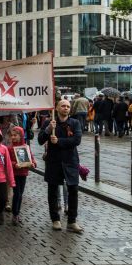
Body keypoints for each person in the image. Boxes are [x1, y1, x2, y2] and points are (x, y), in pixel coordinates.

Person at [37, 99, 83, 233]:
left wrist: (59, 141)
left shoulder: (74, 123)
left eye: (68, 106)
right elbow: (40, 140)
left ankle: (72, 221)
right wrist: (48, 130)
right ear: (57, 108)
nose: (66, 108)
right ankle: (55, 219)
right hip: (54, 161)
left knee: (73, 189)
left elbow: (76, 140)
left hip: (70, 161)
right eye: (63, 106)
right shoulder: (49, 122)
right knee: (52, 190)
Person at [7, 126, 36, 226]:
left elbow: (31, 158)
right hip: (14, 174)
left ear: (21, 136)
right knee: (17, 193)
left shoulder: (25, 147)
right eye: (12, 136)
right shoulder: (10, 148)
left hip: (23, 173)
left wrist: (33, 163)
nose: (13, 137)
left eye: (15, 135)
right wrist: (15, 164)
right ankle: (15, 214)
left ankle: (17, 213)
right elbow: (8, 161)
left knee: (20, 193)